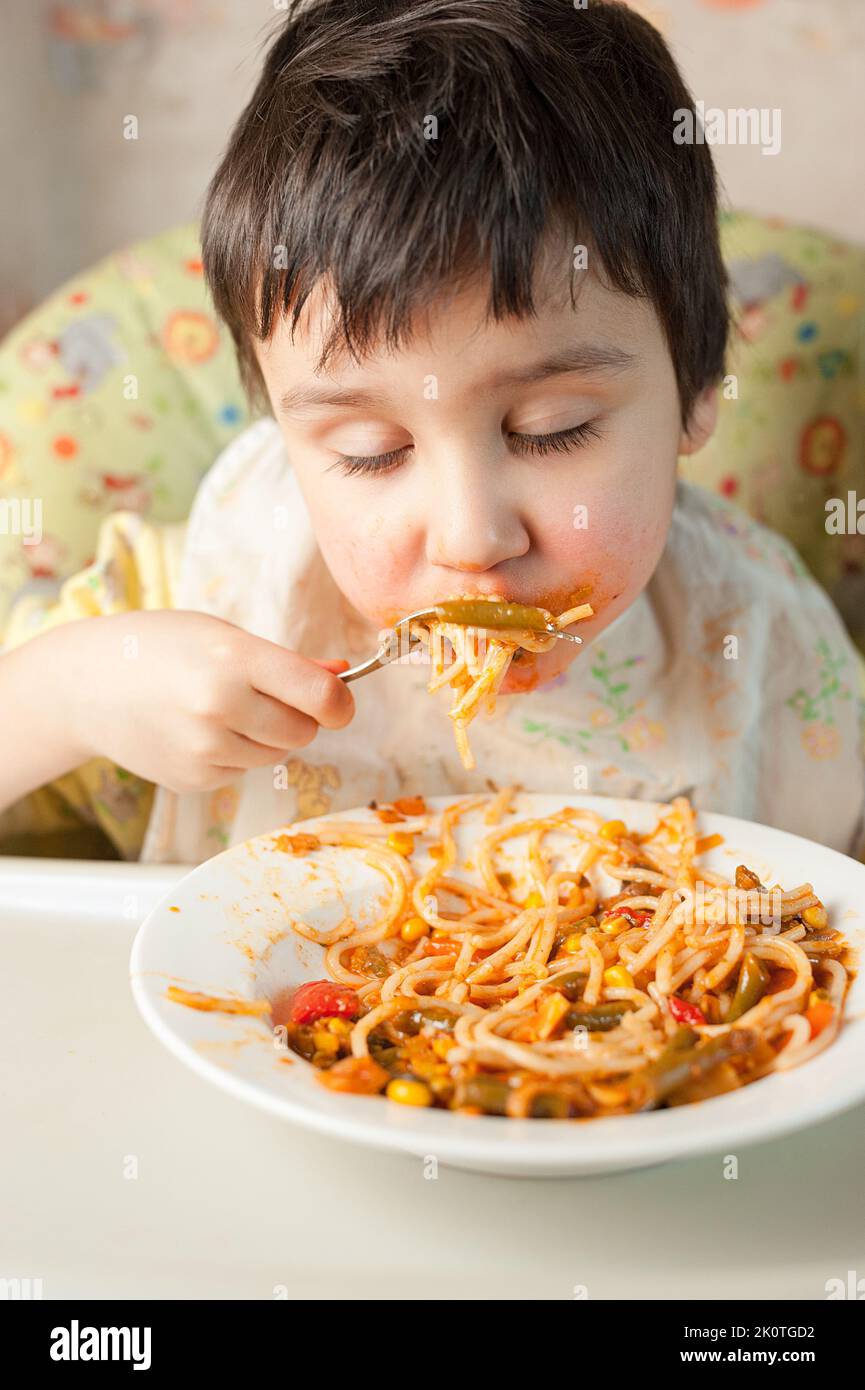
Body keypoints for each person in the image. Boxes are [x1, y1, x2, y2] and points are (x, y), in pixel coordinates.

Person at [1, 0, 863, 863]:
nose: (470, 536)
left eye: (548, 430)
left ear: (696, 388)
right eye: (369, 450)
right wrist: (70, 695)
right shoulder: (197, 603)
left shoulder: (755, 633)